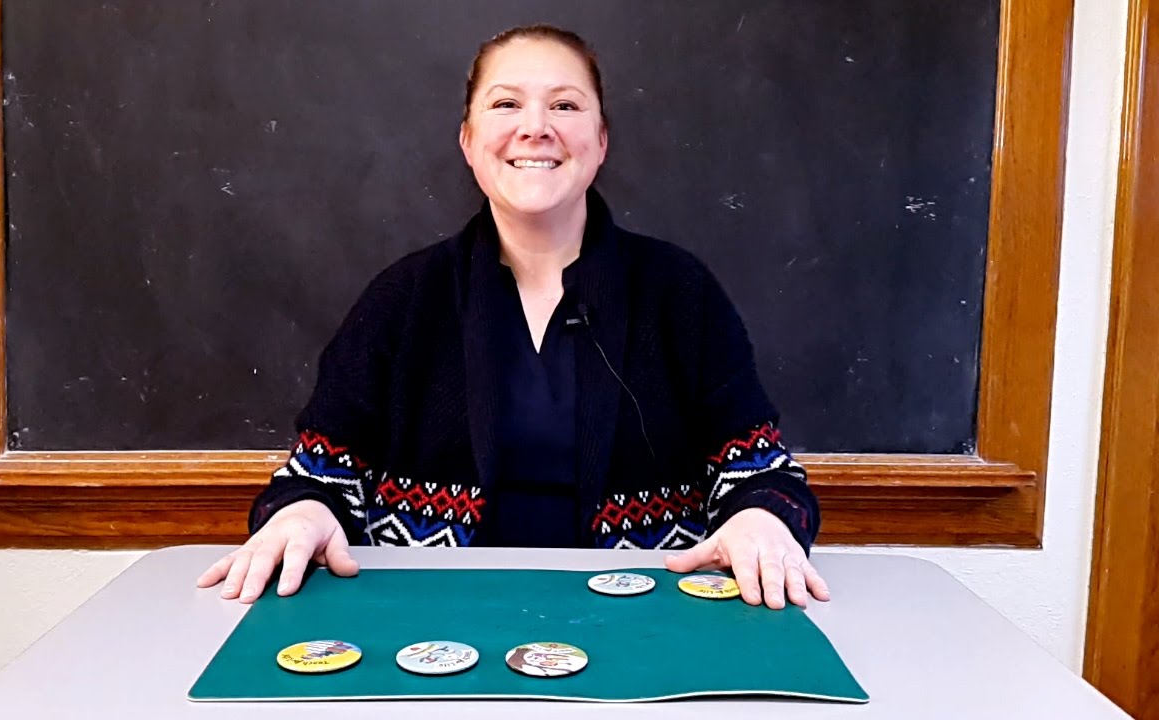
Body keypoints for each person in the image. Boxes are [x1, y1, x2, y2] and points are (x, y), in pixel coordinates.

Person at [198, 24, 829, 611]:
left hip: (646, 617)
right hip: (433, 623)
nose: (536, 127)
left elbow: (763, 475)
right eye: (506, 105)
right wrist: (302, 512)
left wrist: (761, 518)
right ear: (468, 142)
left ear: (601, 141)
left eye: (565, 105)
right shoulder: (402, 299)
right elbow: (316, 478)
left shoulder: (680, 292)